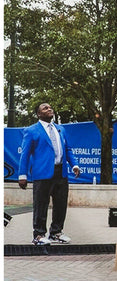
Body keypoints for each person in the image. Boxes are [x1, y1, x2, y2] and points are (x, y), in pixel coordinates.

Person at [18, 103, 80, 245]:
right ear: (39, 114)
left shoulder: (60, 129)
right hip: (42, 174)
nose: (49, 109)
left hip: (61, 173)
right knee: (41, 204)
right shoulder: (32, 130)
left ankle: (56, 233)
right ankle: (39, 235)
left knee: (60, 204)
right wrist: (22, 175)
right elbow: (25, 154)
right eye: (45, 108)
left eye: (50, 107)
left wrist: (74, 164)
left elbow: (68, 149)